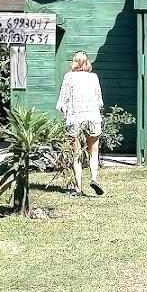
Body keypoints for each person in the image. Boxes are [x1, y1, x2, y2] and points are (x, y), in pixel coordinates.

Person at [56, 51, 105, 196]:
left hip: (75, 119)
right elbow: (99, 101)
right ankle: (94, 178)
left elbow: (62, 101)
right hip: (93, 117)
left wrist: (65, 113)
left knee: (76, 154)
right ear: (87, 63)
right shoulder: (93, 77)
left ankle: (78, 188)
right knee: (93, 152)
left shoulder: (69, 77)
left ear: (74, 62)